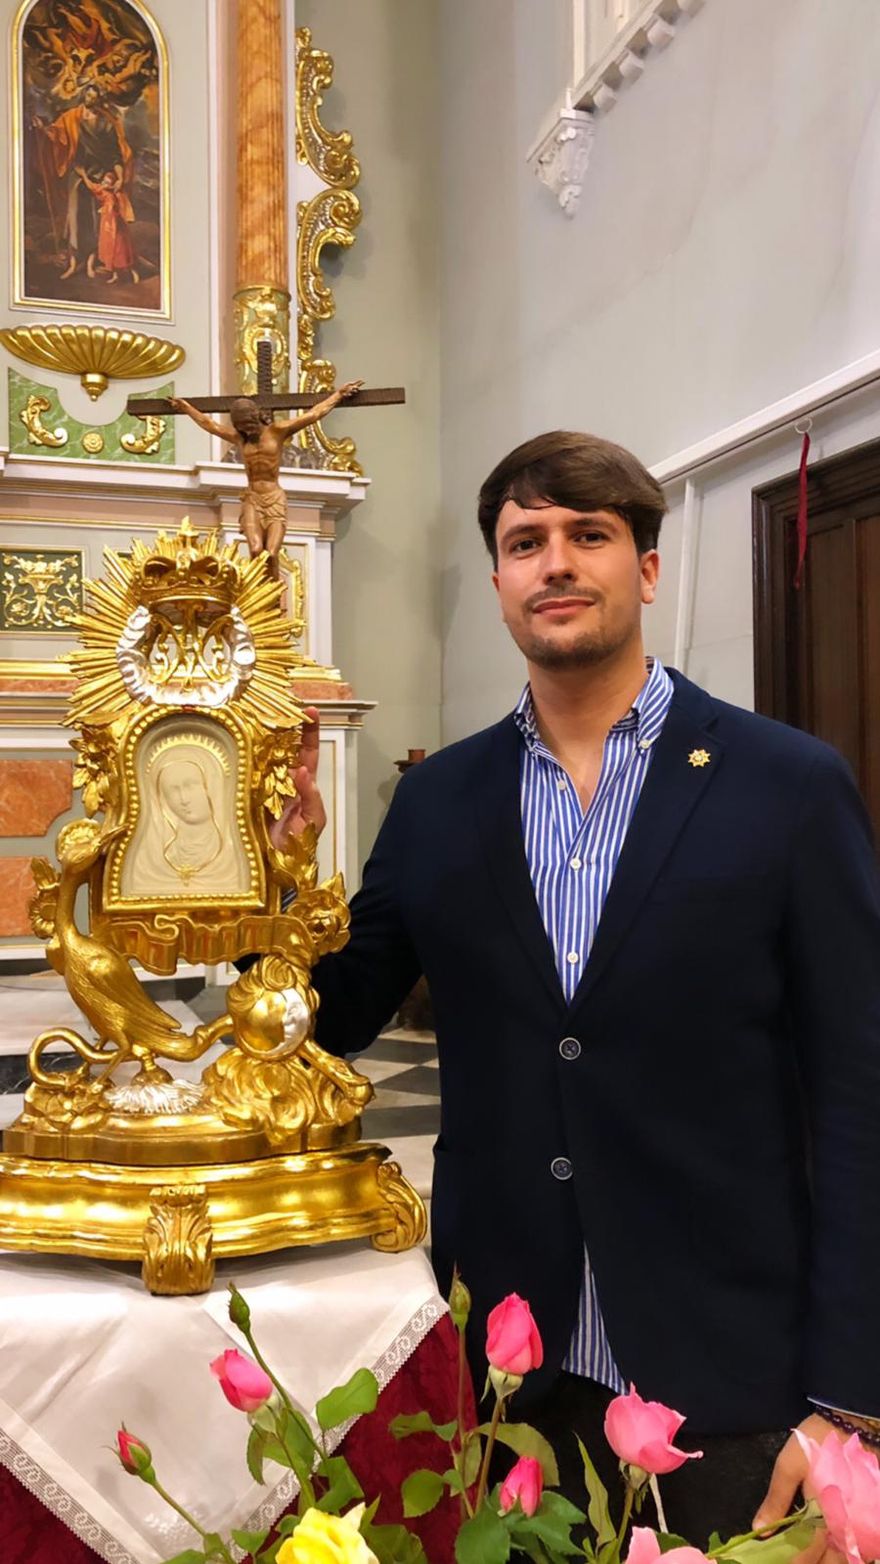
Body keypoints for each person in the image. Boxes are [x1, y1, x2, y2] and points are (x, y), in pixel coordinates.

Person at [269, 430, 880, 1547]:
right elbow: (335, 1014)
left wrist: (851, 1395)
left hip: (733, 1367)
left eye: (587, 535)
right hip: (511, 1373)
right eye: (525, 542)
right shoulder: (440, 802)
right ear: (499, 581)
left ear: (645, 569)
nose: (554, 562)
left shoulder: (786, 786)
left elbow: (859, 1092)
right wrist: (269, 880)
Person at [171, 385, 362, 579]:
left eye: (248, 424)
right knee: (255, 549)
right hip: (252, 498)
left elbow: (313, 415)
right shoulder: (240, 438)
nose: (246, 429)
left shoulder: (277, 431)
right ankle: (258, 588)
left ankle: (274, 590)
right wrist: (186, 408)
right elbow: (210, 425)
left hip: (274, 498)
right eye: (241, 426)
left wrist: (338, 395)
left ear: (256, 417)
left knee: (270, 553)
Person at [77, 166, 138, 285]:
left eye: (107, 183)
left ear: (112, 185)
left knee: (121, 250)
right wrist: (84, 175)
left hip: (116, 226)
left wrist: (110, 211)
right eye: (103, 181)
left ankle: (134, 273)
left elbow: (120, 209)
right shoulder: (102, 190)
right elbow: (91, 186)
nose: (104, 184)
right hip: (107, 225)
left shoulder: (116, 193)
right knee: (111, 250)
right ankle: (115, 275)